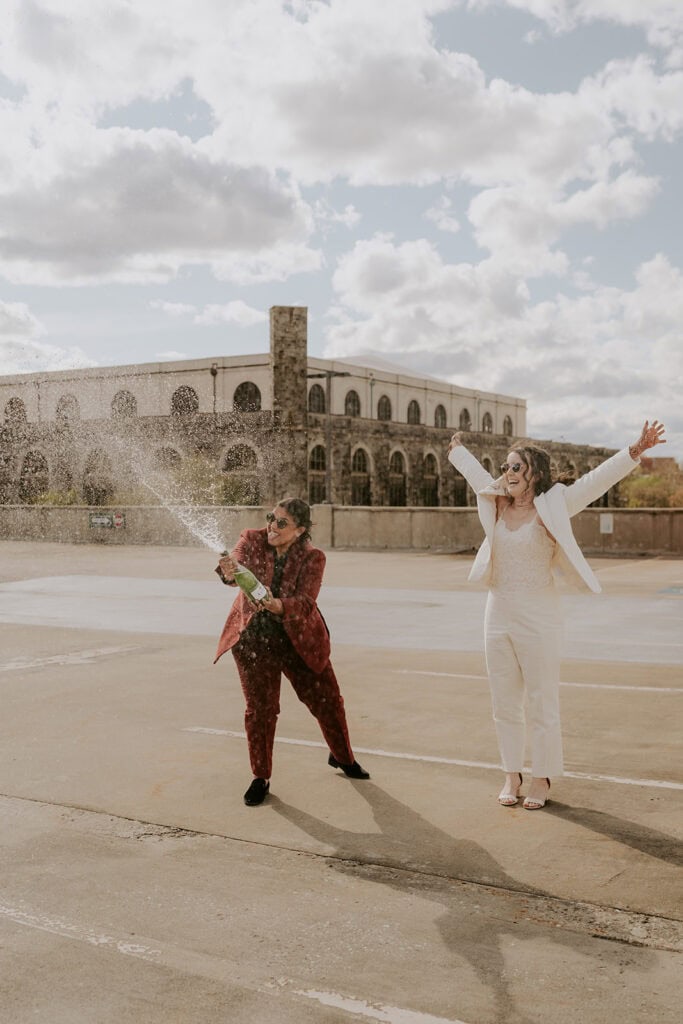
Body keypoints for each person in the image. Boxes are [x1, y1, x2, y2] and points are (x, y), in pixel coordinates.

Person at [447, 420, 666, 810]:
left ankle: (542, 777)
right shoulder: (496, 500)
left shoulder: (555, 503)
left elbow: (596, 481)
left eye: (516, 467)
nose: (507, 473)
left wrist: (633, 452)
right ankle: (511, 773)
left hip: (539, 613)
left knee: (541, 700)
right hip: (497, 611)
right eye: (505, 467)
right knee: (503, 702)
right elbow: (477, 474)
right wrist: (458, 451)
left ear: (535, 474)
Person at [214, 497, 369, 806]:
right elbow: (236, 562)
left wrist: (277, 605)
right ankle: (261, 777)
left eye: (281, 522)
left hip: (299, 640)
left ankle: (343, 758)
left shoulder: (313, 558)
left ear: (299, 530)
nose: (272, 525)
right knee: (261, 711)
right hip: (254, 642)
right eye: (271, 517)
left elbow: (306, 603)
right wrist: (229, 570)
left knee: (327, 703)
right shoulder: (251, 538)